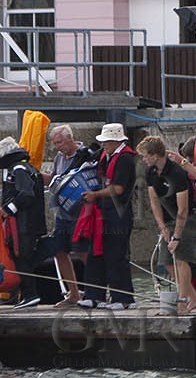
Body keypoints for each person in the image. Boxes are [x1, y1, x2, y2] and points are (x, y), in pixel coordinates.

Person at [137, 135, 196, 313]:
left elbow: (183, 210)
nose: (143, 160)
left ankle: (182, 301)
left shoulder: (176, 172)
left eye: (145, 156)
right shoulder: (151, 172)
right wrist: (162, 227)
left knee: (181, 259)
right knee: (167, 262)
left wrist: (177, 236)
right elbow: (154, 200)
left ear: (155, 155)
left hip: (187, 217)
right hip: (168, 217)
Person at [77, 123, 138, 309]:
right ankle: (95, 294)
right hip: (102, 212)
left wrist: (95, 195)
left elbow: (118, 188)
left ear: (115, 141)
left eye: (106, 142)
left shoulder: (125, 158)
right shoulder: (105, 155)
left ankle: (123, 298)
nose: (103, 145)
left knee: (116, 255)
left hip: (118, 213)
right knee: (95, 253)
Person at [43, 124, 93, 306]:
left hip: (80, 213)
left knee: (83, 251)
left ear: (70, 139)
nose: (57, 147)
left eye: (59, 142)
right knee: (58, 249)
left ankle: (96, 290)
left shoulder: (85, 156)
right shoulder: (59, 157)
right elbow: (55, 180)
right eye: (55, 143)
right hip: (61, 213)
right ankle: (73, 293)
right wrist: (37, 175)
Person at [1, 137, 48, 307]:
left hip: (24, 224)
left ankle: (30, 294)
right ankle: (27, 294)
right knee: (23, 258)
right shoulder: (27, 168)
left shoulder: (19, 169)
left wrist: (7, 209)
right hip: (28, 223)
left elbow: (26, 194)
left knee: (22, 258)